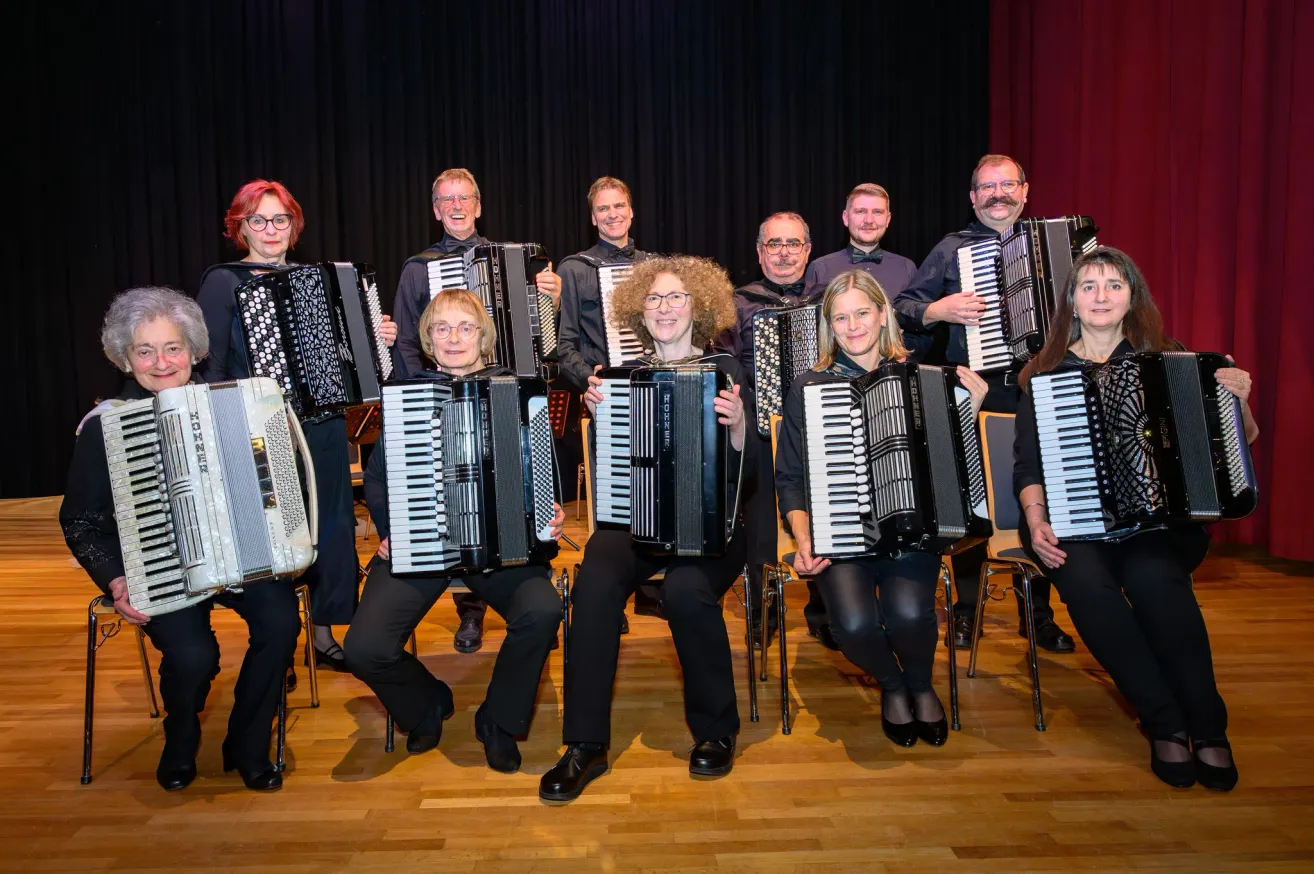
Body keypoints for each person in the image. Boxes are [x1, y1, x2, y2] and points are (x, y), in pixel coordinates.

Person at [1014, 247, 1256, 791]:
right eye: (1089, 286)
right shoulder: (1046, 373)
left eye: (1114, 285)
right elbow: (1028, 463)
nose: (1101, 296)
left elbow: (1230, 444)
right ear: (1071, 302)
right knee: (1088, 591)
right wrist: (1035, 520)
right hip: (1077, 525)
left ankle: (1209, 726)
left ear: (1131, 298)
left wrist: (1238, 402)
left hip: (1160, 524)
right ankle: (1164, 719)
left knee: (1155, 582)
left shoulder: (1167, 359)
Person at [61, 287, 299, 792]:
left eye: (172, 347)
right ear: (125, 359)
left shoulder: (241, 406)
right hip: (158, 565)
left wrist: (285, 528)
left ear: (193, 351)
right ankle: (181, 737)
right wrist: (117, 579)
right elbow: (80, 521)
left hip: (243, 557)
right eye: (145, 351)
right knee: (194, 656)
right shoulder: (105, 427)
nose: (161, 362)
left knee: (280, 623)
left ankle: (248, 742)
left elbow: (278, 483)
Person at [539, 256, 748, 802]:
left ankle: (716, 729)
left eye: (676, 297)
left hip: (713, 527)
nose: (664, 308)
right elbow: (611, 465)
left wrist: (742, 429)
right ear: (639, 310)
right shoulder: (618, 377)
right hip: (636, 520)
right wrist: (600, 416)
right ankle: (585, 745)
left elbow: (751, 475)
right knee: (594, 583)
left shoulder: (728, 369)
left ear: (697, 306)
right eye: (654, 299)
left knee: (684, 590)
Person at [344, 289, 565, 771]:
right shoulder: (407, 396)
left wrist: (548, 509)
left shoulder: (516, 389)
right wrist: (390, 527)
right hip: (424, 539)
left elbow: (541, 465)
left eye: (465, 326)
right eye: (441, 328)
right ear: (427, 339)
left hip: (500, 545)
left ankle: (499, 721)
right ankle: (426, 703)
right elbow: (379, 476)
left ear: (483, 336)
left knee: (543, 609)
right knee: (363, 647)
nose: (454, 337)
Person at [775, 270, 987, 747]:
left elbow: (954, 467)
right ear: (828, 324)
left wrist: (966, 411)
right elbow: (788, 477)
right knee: (851, 625)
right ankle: (893, 685)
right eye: (840, 317)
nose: (852, 327)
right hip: (838, 531)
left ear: (884, 314)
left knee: (910, 615)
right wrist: (804, 539)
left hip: (911, 530)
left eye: (862, 313)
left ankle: (919, 684)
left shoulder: (926, 379)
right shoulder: (810, 387)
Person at [195, 179, 394, 673]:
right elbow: (212, 363)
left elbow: (350, 351)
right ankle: (278, 642)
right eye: (257, 220)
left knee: (331, 527)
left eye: (280, 219)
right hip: (261, 426)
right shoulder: (222, 280)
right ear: (240, 228)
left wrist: (377, 334)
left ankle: (324, 634)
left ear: (294, 225)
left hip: (323, 423)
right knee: (275, 534)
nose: (270, 230)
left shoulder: (317, 276)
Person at [892, 154, 1075, 654]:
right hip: (979, 389)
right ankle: (966, 612)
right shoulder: (953, 250)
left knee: (1040, 500)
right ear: (973, 197)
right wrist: (938, 308)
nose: (998, 193)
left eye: (1007, 184)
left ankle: (1037, 614)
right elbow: (903, 307)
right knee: (978, 504)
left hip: (1041, 389)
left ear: (1025, 190)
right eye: (987, 186)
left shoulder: (1053, 246)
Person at [389, 168, 563, 653]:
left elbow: (542, 342)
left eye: (464, 198)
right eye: (446, 199)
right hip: (441, 397)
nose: (456, 206)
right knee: (456, 493)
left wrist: (550, 300)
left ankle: (530, 599)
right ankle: (471, 612)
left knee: (516, 485)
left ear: (479, 205)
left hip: (504, 397)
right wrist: (419, 400)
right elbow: (407, 340)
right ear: (435, 210)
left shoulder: (514, 261)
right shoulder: (418, 267)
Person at [713, 212, 835, 650]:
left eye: (793, 244)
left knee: (827, 517)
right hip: (762, 434)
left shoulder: (828, 298)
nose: (784, 253)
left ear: (808, 250)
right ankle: (764, 611)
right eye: (774, 244)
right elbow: (725, 365)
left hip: (821, 430)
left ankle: (826, 610)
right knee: (763, 528)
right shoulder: (737, 302)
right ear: (760, 252)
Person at [555, 176, 657, 627]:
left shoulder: (656, 264)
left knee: (657, 492)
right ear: (593, 217)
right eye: (603, 209)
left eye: (619, 206)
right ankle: (609, 594)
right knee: (613, 500)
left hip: (656, 391)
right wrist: (588, 379)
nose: (612, 214)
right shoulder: (575, 268)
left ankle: (652, 585)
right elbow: (563, 345)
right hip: (607, 395)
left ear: (631, 211)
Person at [803, 183, 917, 299]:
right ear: (846, 218)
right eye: (860, 211)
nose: (868, 220)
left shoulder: (907, 268)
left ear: (888, 219)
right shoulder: (820, 268)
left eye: (877, 212)